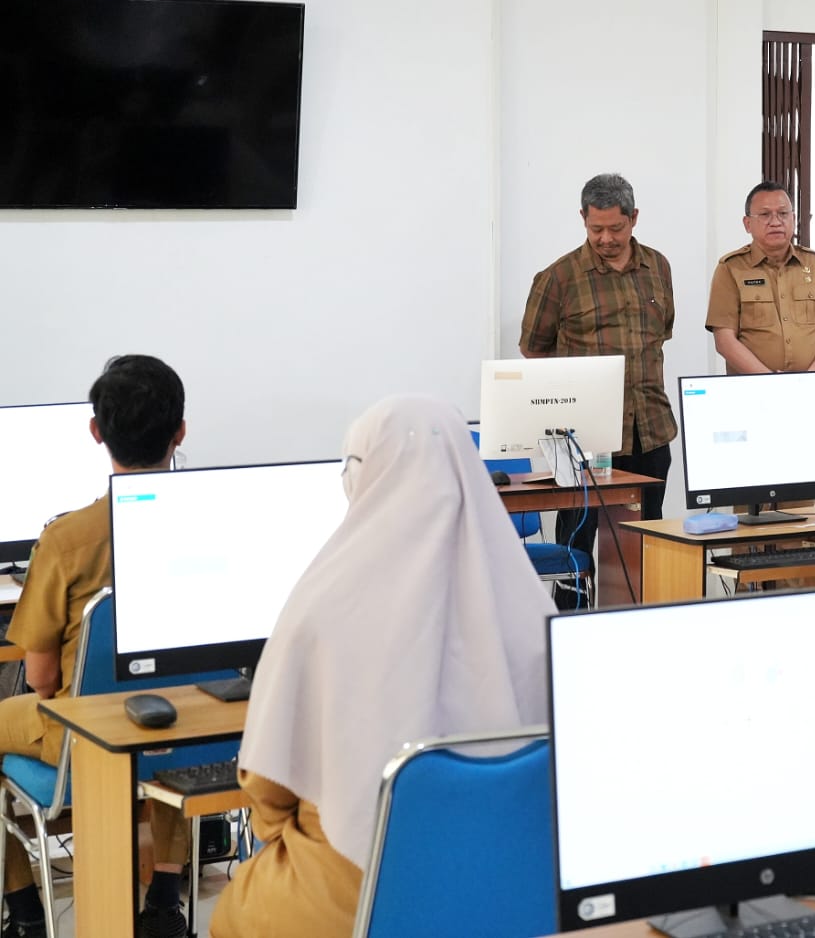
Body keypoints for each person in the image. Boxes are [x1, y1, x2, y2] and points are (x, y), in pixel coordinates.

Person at [210, 396, 558, 938]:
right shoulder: (535, 607)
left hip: (355, 895)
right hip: (513, 891)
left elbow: (267, 788)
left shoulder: (318, 607)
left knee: (234, 911)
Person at [0, 355, 191, 938]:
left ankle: (27, 913)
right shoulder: (211, 519)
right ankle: (164, 902)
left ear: (96, 431)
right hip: (194, 728)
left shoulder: (67, 538)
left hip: (81, 739)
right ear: (180, 432)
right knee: (162, 717)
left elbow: (41, 681)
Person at [519, 173, 675, 556]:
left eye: (616, 228)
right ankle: (570, 614)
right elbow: (533, 350)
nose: (606, 238)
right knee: (578, 545)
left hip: (649, 429)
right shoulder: (559, 277)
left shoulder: (658, 267)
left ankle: (640, 615)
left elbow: (660, 335)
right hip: (584, 439)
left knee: (645, 545)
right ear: (583, 219)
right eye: (596, 228)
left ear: (634, 217)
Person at [705, 181, 815, 373]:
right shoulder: (731, 269)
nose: (775, 221)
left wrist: (810, 377)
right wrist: (772, 382)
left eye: (783, 214)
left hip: (809, 386)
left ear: (793, 218)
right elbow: (724, 340)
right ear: (747, 224)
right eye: (765, 215)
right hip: (752, 389)